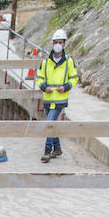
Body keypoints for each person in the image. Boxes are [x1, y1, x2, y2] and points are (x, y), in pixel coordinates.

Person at [36, 29, 79, 163]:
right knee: (52, 124)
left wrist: (65, 87)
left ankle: (47, 150)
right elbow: (39, 77)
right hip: (48, 98)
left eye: (60, 42)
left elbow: (74, 78)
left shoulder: (69, 61)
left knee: (49, 123)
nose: (57, 45)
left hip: (59, 99)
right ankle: (58, 148)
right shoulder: (45, 62)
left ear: (64, 44)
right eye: (55, 42)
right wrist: (44, 87)